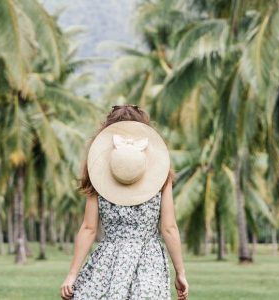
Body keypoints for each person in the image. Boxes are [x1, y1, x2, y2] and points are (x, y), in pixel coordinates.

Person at [60, 104, 189, 300]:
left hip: (109, 260)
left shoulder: (98, 174)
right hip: (149, 261)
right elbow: (169, 228)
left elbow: (88, 228)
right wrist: (181, 273)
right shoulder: (161, 176)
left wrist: (71, 275)